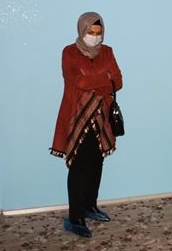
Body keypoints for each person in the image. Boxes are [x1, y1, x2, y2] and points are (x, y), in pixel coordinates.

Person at [50, 12, 123, 237]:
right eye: (91, 32)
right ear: (82, 31)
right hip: (77, 117)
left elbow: (118, 81)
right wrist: (104, 78)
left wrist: (96, 80)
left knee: (97, 163)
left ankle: (90, 206)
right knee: (79, 167)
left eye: (99, 33)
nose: (95, 37)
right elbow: (79, 81)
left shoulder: (107, 51)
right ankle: (75, 216)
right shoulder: (69, 52)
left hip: (101, 118)